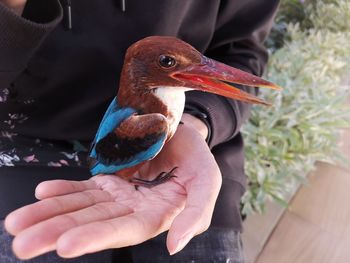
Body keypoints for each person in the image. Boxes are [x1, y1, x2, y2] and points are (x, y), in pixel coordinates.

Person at [0, 0, 279, 262]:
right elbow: (102, 164)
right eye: (168, 62)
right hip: (25, 148)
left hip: (194, 151)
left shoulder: (162, 111)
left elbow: (242, 51)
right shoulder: (152, 122)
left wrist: (196, 124)